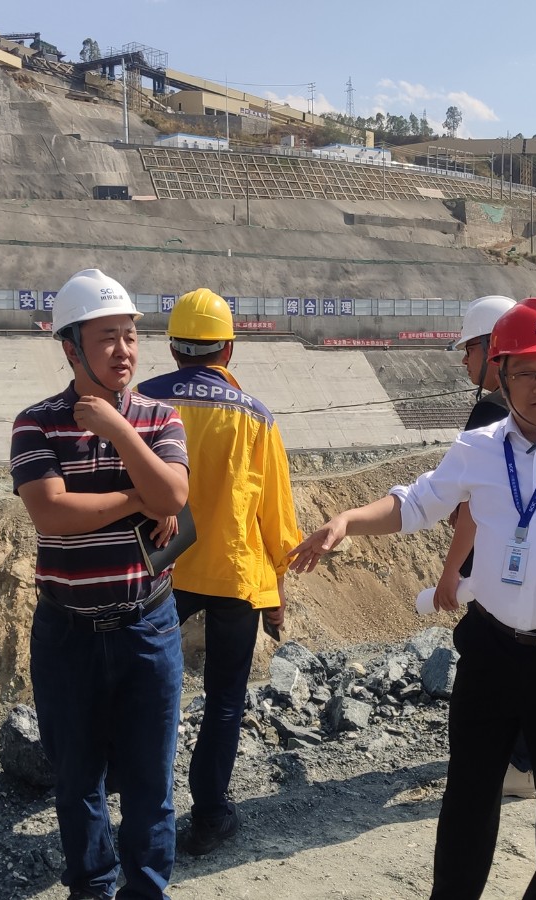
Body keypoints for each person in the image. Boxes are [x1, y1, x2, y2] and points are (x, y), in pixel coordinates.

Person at [290, 297, 536, 900]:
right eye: (527, 372)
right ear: (501, 374)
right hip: (492, 649)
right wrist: (347, 519)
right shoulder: (478, 449)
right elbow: (415, 503)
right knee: (469, 793)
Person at [10, 268, 191, 900]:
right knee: (77, 779)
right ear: (71, 347)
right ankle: (92, 886)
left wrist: (118, 431)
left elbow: (174, 495)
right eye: (107, 337)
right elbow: (52, 513)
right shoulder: (36, 423)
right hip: (69, 632)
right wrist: (137, 497)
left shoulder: (159, 418)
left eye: (130, 336)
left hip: (148, 626)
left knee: (150, 781)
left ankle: (147, 890)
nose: (123, 351)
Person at [136, 288, 303, 857]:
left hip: (162, 567)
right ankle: (209, 817)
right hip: (236, 573)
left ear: (173, 347)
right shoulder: (255, 416)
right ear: (227, 348)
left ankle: (144, 812)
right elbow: (275, 514)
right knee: (225, 699)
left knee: (149, 692)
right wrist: (277, 589)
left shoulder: (142, 402)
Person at [431, 293, 536, 801]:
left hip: (496, 567)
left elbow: (472, 505)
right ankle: (527, 759)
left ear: (493, 348)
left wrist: (451, 570)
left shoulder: (491, 412)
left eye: (469, 349)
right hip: (528, 562)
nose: (465, 362)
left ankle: (516, 765)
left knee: (494, 660)